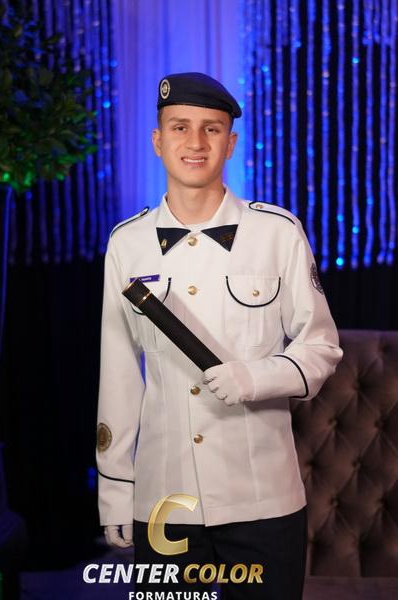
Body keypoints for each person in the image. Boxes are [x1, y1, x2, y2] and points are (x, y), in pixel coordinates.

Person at [96, 72, 343, 599]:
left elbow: (321, 348)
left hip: (262, 500)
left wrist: (254, 378)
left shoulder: (278, 233)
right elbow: (118, 375)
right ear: (157, 140)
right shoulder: (126, 244)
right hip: (165, 501)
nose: (195, 142)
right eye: (179, 127)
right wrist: (115, 488)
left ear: (230, 144)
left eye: (211, 129)